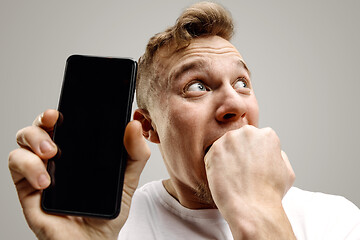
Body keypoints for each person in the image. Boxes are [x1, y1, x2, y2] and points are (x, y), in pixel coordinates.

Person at [8, 2, 360, 239]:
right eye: (196, 85)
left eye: (242, 82)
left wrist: (258, 212)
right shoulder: (116, 230)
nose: (234, 103)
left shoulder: (336, 220)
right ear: (149, 128)